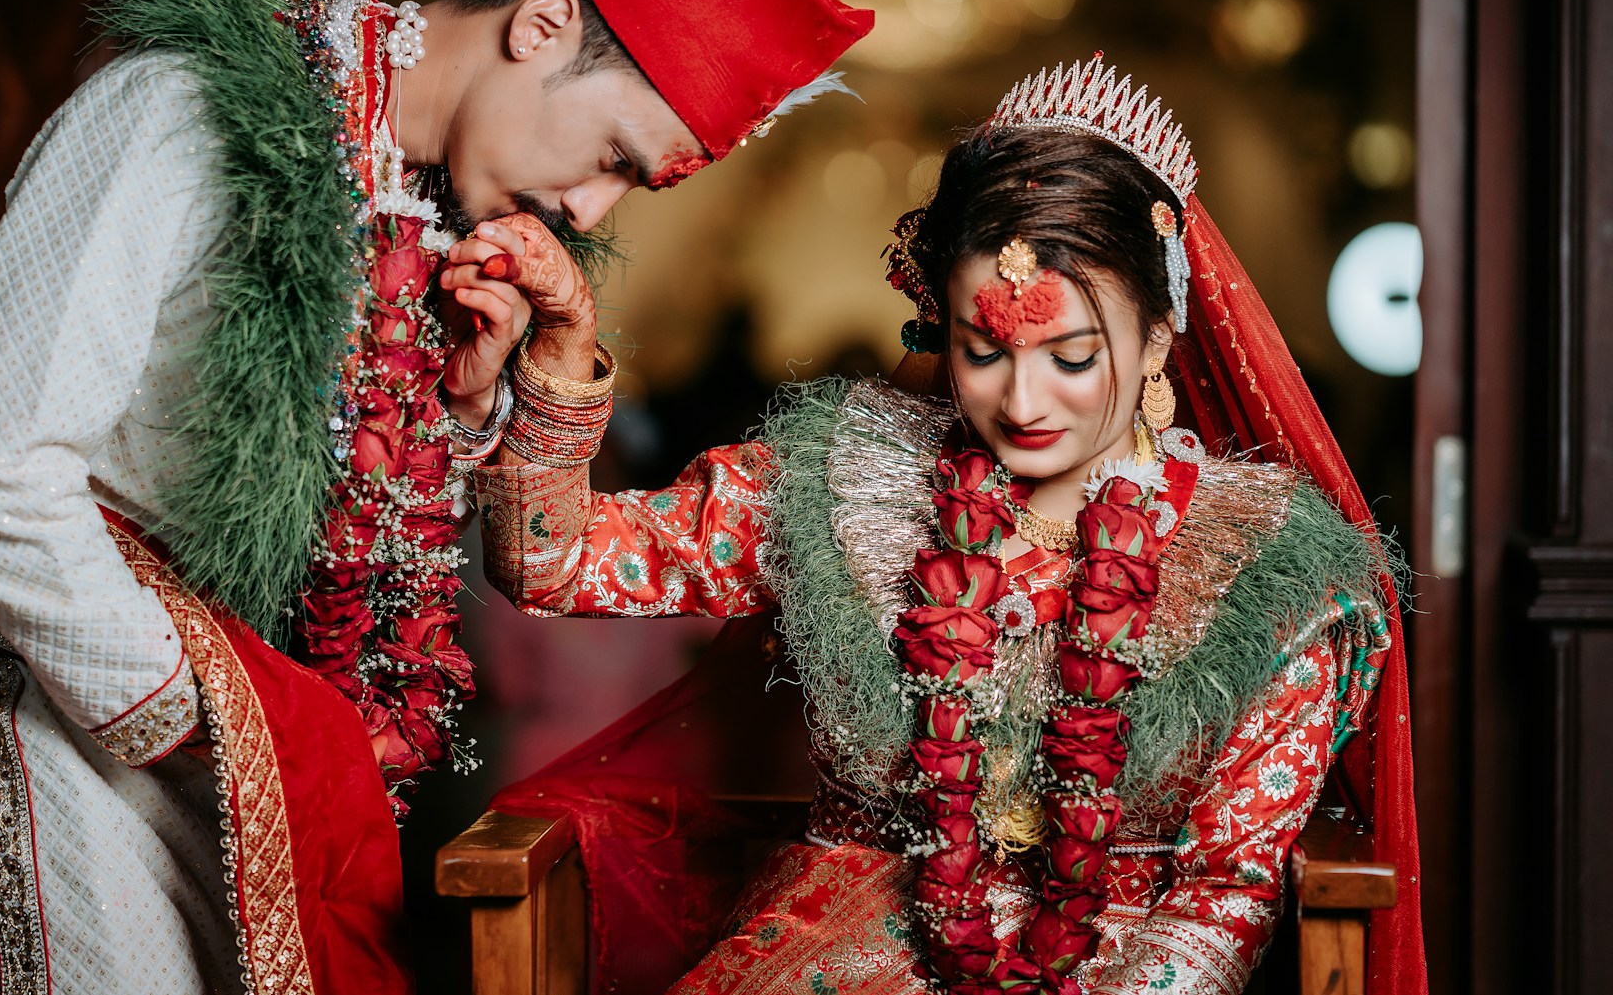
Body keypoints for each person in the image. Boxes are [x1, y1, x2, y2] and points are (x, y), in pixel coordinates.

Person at [0, 0, 872, 995]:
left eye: (632, 187)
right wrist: (200, 719)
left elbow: (366, 527)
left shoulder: (425, 207)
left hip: (260, 769)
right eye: (612, 157)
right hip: (76, 732)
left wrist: (465, 410)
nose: (587, 206)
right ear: (544, 26)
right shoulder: (185, 112)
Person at [457, 56, 1427, 994]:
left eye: (1073, 355)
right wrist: (562, 352)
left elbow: (1224, 896)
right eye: (984, 349)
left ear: (1159, 337)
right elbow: (554, 564)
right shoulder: (842, 486)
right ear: (940, 326)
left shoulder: (1268, 575)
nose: (1024, 399)